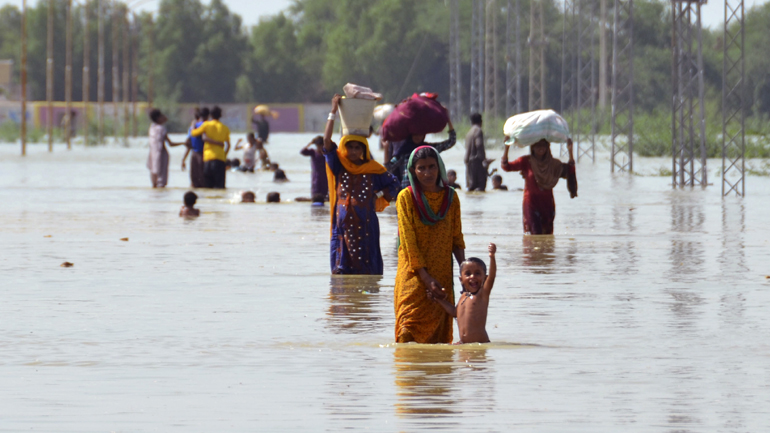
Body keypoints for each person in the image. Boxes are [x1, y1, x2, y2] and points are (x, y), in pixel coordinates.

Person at [394, 146, 465, 344]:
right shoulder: (405, 198)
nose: (427, 173)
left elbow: (456, 238)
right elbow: (408, 242)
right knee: (407, 332)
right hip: (414, 276)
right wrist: (425, 278)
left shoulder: (451, 197)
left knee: (439, 342)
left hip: (441, 276)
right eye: (421, 168)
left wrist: (464, 270)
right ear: (413, 172)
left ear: (439, 168)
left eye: (432, 167)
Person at [324, 94, 400, 275]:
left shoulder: (373, 170)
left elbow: (395, 186)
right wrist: (333, 112)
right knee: (341, 277)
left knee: (368, 274)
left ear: (364, 150)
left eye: (358, 148)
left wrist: (377, 196)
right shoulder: (339, 166)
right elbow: (327, 142)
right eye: (350, 147)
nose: (353, 151)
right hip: (342, 228)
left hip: (367, 228)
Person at [500, 138, 576, 234]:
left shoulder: (553, 164)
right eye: (538, 145)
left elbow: (570, 170)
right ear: (533, 147)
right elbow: (506, 167)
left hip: (547, 204)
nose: (541, 148)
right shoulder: (526, 161)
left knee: (547, 238)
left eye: (544, 145)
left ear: (547, 147)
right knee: (533, 235)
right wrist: (507, 147)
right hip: (531, 203)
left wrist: (570, 150)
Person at [428, 243, 497, 344]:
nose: (472, 277)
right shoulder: (464, 296)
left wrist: (492, 256)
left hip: (480, 344)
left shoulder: (482, 294)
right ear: (461, 279)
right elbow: (455, 313)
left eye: (477, 273)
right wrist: (439, 300)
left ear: (484, 278)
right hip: (463, 344)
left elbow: (492, 277)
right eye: (468, 274)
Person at [387, 121, 456, 190]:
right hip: (408, 190)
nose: (418, 137)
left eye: (421, 134)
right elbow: (389, 167)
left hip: (426, 189)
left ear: (424, 135)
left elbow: (451, 141)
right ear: (411, 135)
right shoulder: (403, 152)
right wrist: (385, 148)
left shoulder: (428, 149)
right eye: (415, 134)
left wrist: (448, 120)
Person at [191, 106, 230, 189]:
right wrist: (224, 155)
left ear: (211, 116)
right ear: (220, 115)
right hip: (220, 159)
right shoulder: (225, 128)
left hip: (208, 158)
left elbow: (194, 133)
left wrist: (192, 125)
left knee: (208, 186)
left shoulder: (206, 125)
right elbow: (228, 145)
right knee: (220, 186)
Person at [147, 109, 184, 188]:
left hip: (152, 154)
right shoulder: (161, 129)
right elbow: (170, 144)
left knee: (154, 176)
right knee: (161, 180)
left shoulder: (152, 128)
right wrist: (183, 143)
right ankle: (160, 195)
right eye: (162, 116)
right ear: (158, 118)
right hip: (161, 154)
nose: (164, 117)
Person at [465, 113, 492, 191]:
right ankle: (479, 203)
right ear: (481, 121)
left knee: (471, 186)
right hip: (476, 161)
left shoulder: (469, 132)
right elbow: (479, 144)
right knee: (480, 187)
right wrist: (484, 160)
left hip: (468, 162)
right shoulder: (478, 130)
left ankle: (471, 203)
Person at [181, 107, 208, 188]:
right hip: (204, 154)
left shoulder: (192, 128)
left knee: (194, 181)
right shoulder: (207, 126)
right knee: (203, 180)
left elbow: (188, 144)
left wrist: (183, 159)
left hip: (194, 155)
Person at [300, 136, 329, 203]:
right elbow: (302, 151)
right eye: (317, 145)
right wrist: (310, 143)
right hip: (316, 176)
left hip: (325, 176)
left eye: (320, 145)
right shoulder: (313, 152)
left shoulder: (327, 153)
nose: (319, 147)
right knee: (315, 193)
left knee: (324, 194)